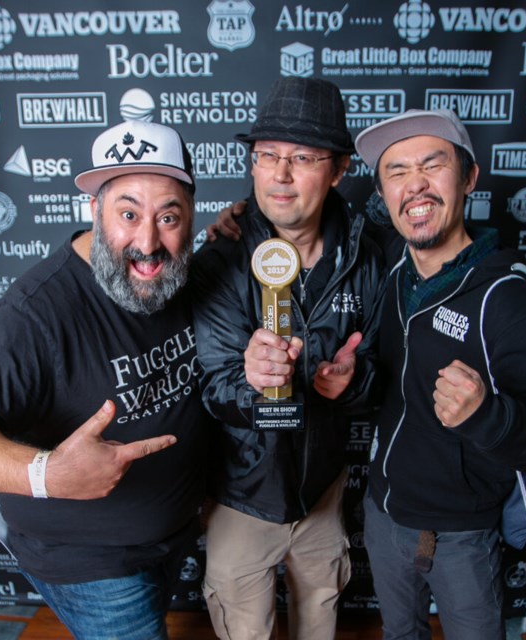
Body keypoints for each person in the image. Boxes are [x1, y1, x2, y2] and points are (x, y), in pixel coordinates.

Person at [0, 120, 212, 640]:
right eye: (127, 214)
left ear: (190, 217)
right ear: (93, 210)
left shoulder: (182, 272)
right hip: (90, 568)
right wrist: (47, 475)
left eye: (168, 216)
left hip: (172, 536)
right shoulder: (37, 313)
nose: (147, 240)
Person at [352, 109, 526, 640]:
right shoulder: (394, 267)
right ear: (385, 195)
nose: (415, 184)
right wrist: (239, 222)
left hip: (460, 534)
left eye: (433, 165)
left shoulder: (508, 298)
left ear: (469, 177)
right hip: (383, 515)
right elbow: (307, 222)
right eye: (396, 172)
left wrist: (487, 416)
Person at [188, 77, 386, 640]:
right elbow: (212, 387)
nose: (279, 174)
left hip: (323, 492)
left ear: (340, 170)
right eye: (266, 155)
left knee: (319, 624)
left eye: (302, 158)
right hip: (241, 496)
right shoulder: (219, 261)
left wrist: (352, 381)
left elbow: (384, 375)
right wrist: (250, 382)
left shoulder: (368, 257)